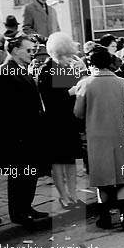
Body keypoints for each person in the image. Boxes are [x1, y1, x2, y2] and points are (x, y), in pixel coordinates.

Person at [74, 45, 124, 231]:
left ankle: (105, 217)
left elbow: (78, 112)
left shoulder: (86, 84)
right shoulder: (123, 82)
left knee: (103, 180)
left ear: (92, 63)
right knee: (122, 177)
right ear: (110, 63)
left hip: (97, 137)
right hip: (120, 135)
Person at [0, 35, 49, 225]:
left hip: (30, 133)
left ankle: (26, 207)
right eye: (29, 50)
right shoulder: (4, 73)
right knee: (19, 176)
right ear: (15, 50)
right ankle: (18, 212)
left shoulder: (22, 70)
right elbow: (3, 109)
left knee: (30, 174)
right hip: (17, 135)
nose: (33, 53)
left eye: (33, 50)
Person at [38, 32, 84, 210]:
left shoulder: (63, 69)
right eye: (67, 56)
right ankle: (63, 197)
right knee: (58, 161)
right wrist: (70, 92)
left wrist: (78, 76)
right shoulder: (46, 71)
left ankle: (73, 195)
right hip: (54, 124)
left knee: (71, 160)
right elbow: (50, 100)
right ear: (59, 54)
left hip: (68, 122)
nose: (70, 59)